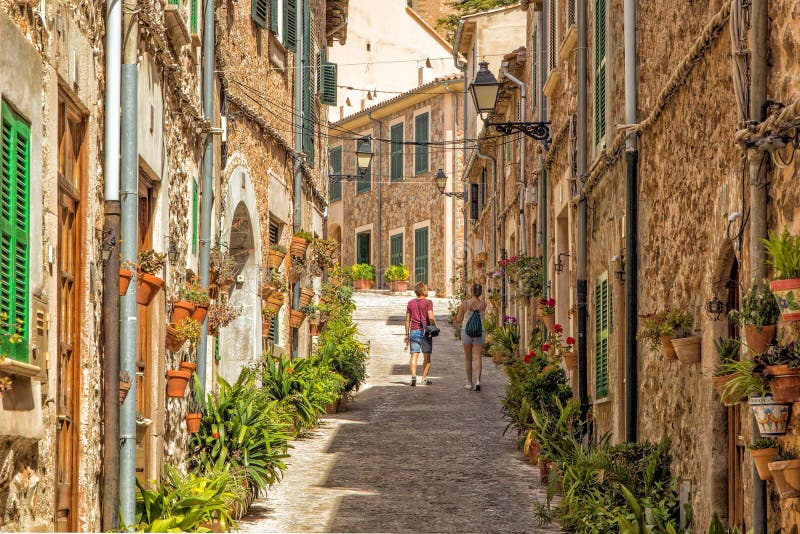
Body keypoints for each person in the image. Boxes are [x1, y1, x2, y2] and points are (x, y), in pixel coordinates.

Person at [404, 282, 436, 386]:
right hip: (425, 332)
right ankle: (424, 378)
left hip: (413, 331)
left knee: (414, 355)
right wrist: (434, 326)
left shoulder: (410, 303)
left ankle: (413, 376)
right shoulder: (428, 302)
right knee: (427, 357)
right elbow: (430, 316)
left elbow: (407, 320)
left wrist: (406, 334)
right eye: (426, 288)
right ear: (423, 290)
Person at [456, 283, 487, 391]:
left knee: (468, 358)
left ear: (471, 292)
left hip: (466, 331)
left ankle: (469, 383)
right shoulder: (483, 304)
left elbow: (459, 319)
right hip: (480, 331)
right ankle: (478, 381)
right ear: (480, 292)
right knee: (478, 357)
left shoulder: (465, 303)